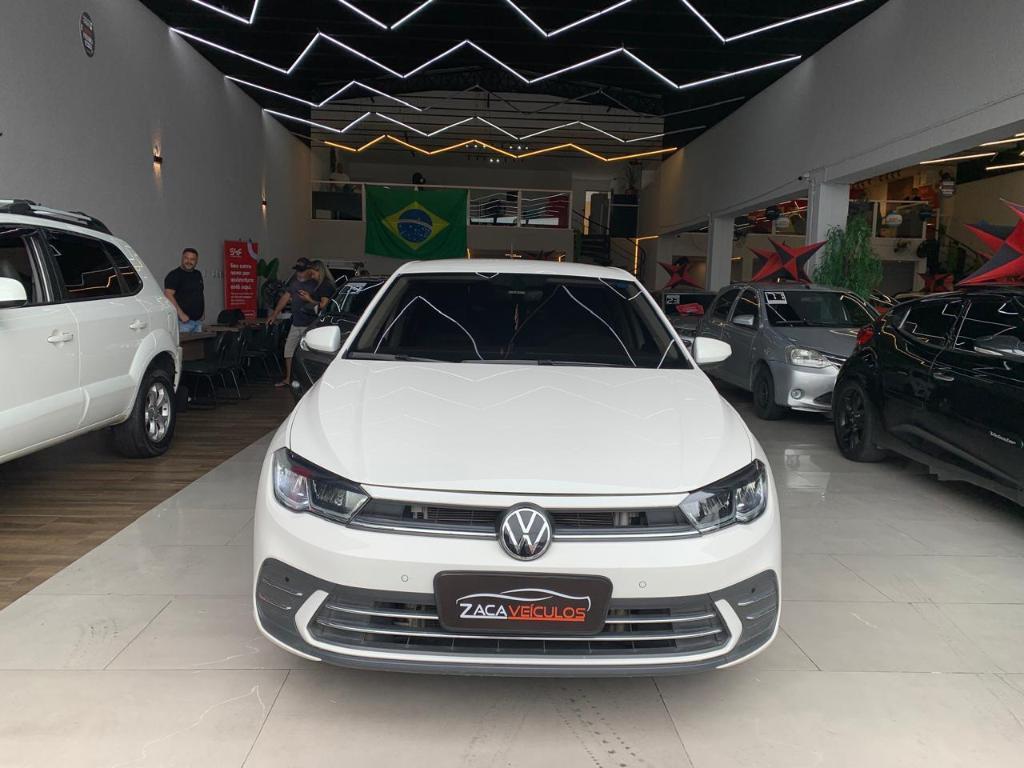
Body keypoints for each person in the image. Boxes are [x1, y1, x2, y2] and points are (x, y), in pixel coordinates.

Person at [267, 259, 334, 387]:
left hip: (310, 324)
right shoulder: (295, 281)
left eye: (302, 271)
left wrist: (309, 299)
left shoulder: (319, 284)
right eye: (297, 270)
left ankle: (308, 380)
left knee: (308, 353)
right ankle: (289, 378)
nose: (299, 274)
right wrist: (275, 314)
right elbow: (286, 296)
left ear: (310, 270)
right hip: (296, 322)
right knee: (289, 350)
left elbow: (323, 305)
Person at [164, 248, 205, 332]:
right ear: (182, 258)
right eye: (186, 258)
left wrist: (203, 312)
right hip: (183, 322)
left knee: (198, 341)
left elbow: (200, 293)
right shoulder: (174, 275)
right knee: (184, 342)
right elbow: (168, 295)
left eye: (192, 259)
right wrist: (181, 314)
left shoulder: (198, 274)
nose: (189, 261)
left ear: (196, 261)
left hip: (197, 321)